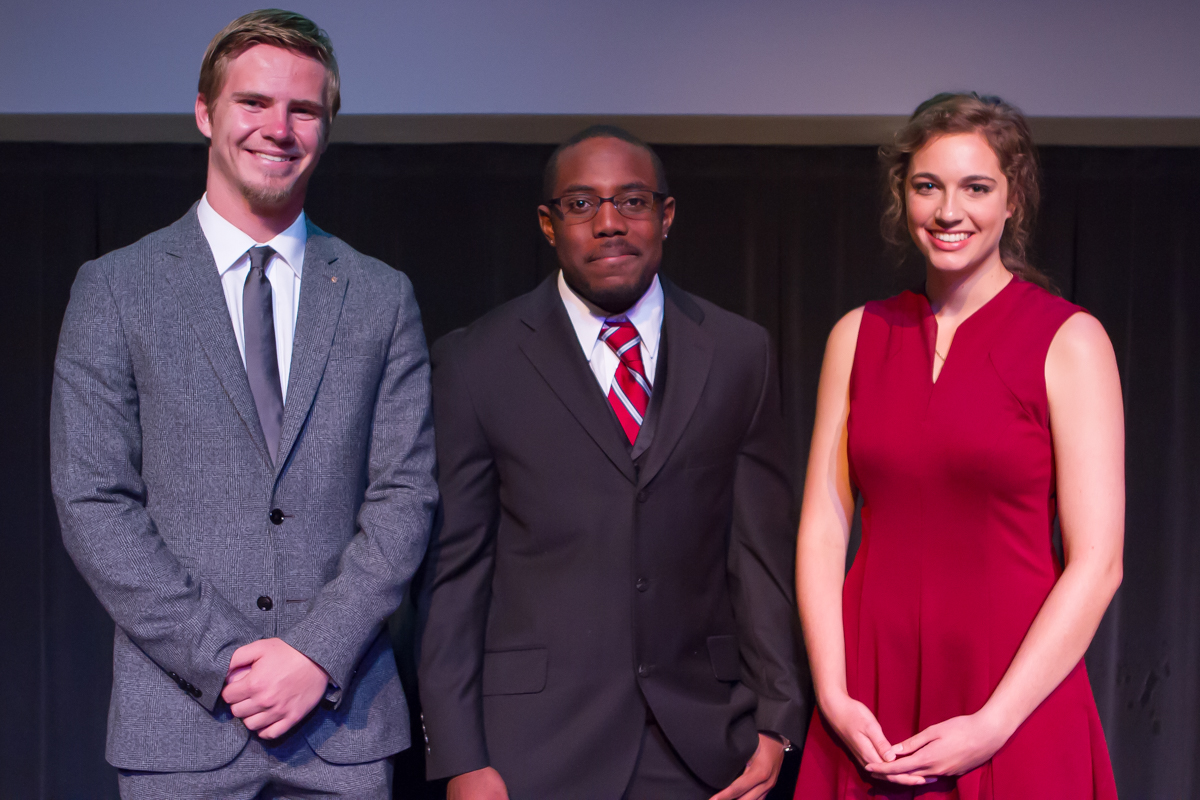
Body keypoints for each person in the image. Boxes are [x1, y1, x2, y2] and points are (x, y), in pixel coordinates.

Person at [49, 10, 436, 798]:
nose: (278, 128)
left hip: (343, 723)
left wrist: (315, 653)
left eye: (303, 109)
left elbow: (405, 494)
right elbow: (92, 498)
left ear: (326, 128)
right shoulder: (116, 290)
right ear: (205, 112)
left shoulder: (379, 296)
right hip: (180, 727)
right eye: (254, 102)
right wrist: (226, 661)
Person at [416, 126, 807, 800]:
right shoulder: (476, 361)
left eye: (631, 201)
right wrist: (458, 757)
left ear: (667, 215)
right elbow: (455, 574)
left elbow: (759, 557)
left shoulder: (742, 352)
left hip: (704, 747)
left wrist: (777, 719)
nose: (608, 223)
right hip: (530, 749)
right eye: (580, 204)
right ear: (547, 223)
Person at [793, 93, 1123, 798]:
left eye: (976, 187)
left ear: (1014, 200)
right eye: (927, 186)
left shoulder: (1070, 340)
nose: (949, 211)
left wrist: (994, 723)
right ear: (901, 196)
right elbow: (824, 522)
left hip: (1013, 697)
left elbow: (1098, 564)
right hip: (870, 704)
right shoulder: (858, 335)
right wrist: (832, 691)